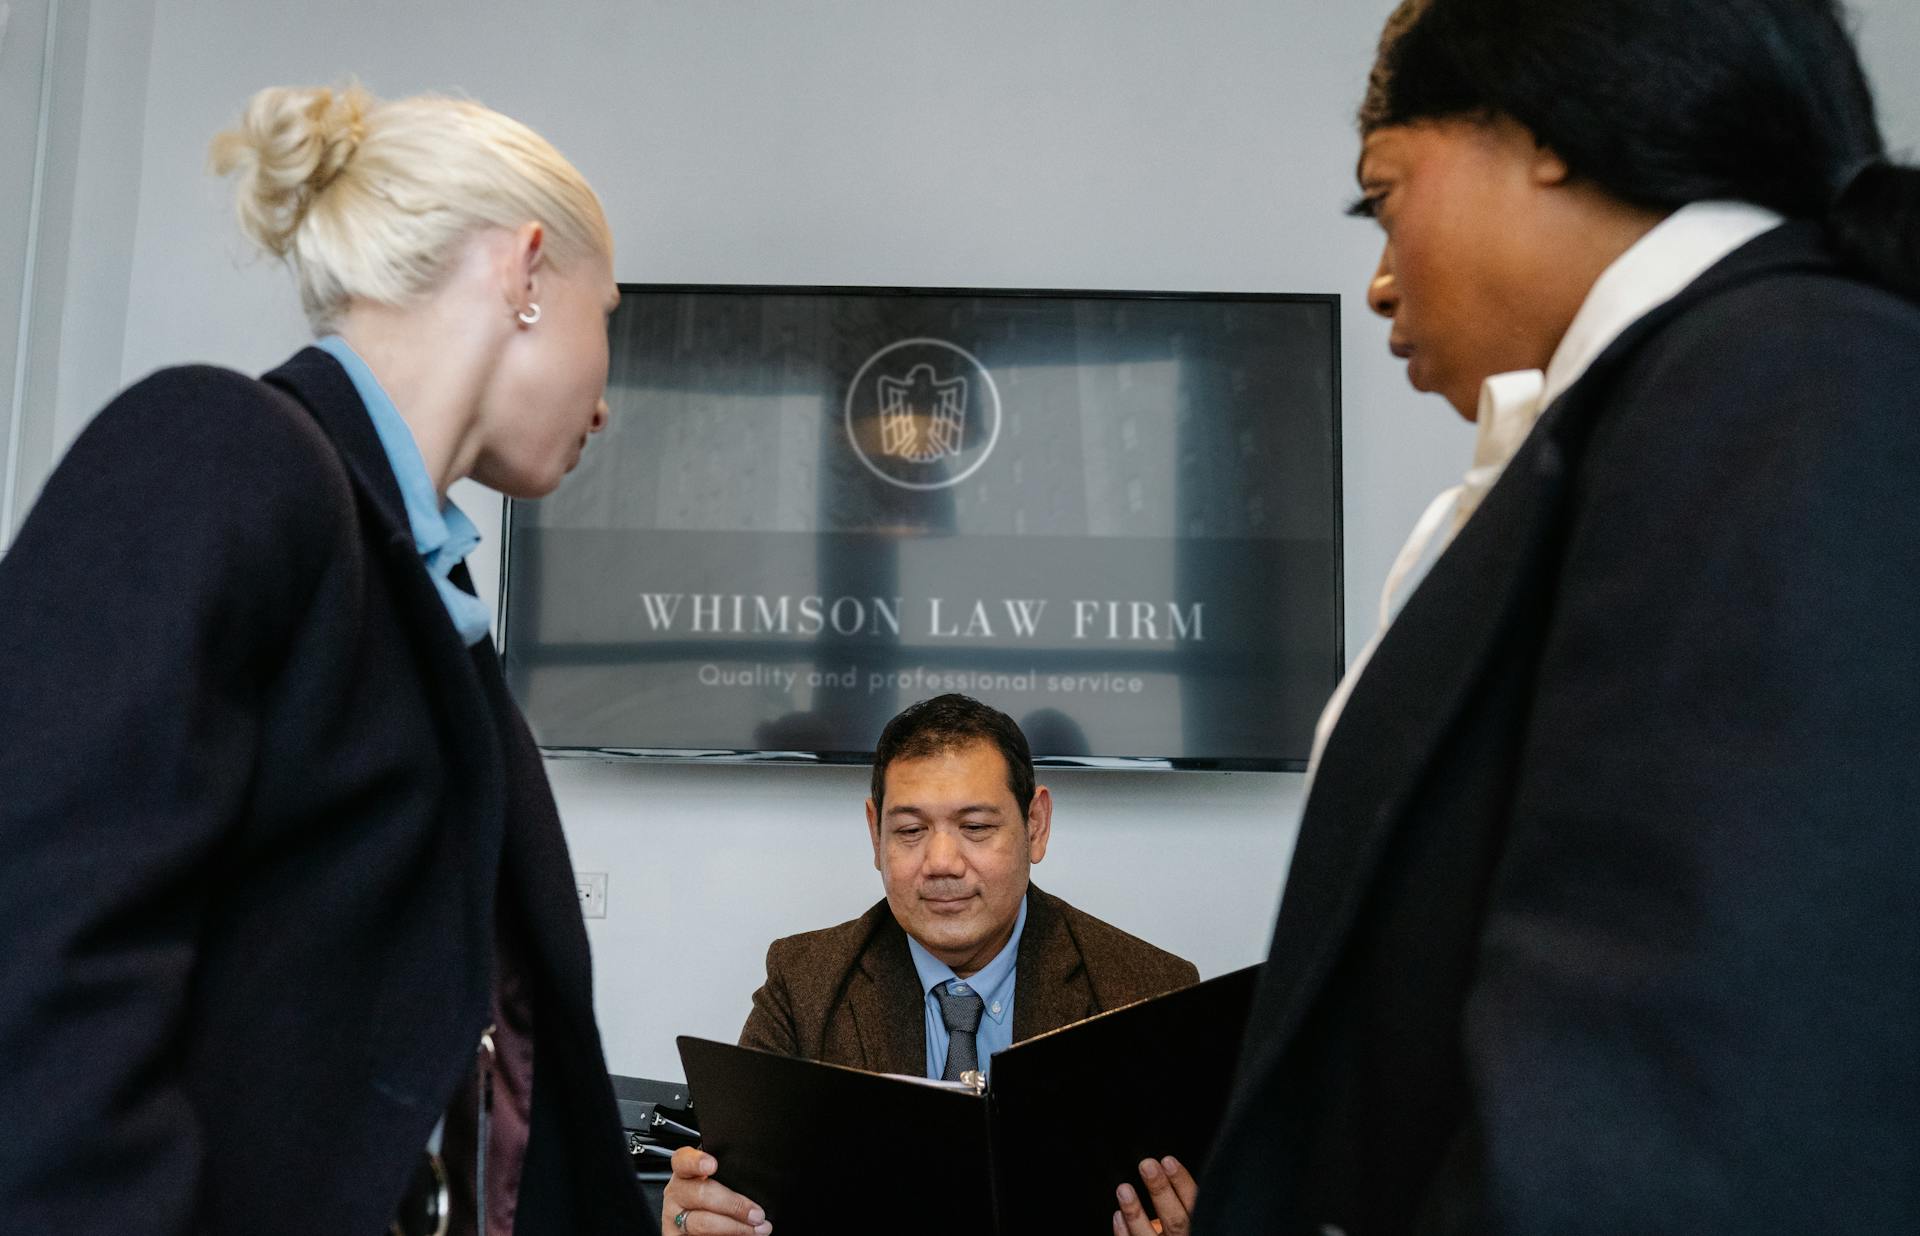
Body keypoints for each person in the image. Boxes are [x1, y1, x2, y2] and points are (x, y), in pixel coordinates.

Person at [1197, 1, 1920, 1232]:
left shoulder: (1786, 382)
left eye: (1381, 197)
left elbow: (1678, 1083)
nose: (1378, 275)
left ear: (1539, 131)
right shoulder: (1670, 406)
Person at [0, 84, 645, 1235]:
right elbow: (41, 949)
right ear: (526, 271)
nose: (607, 402)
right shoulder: (219, 449)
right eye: (613, 315)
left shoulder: (417, 580)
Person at [661, 694, 1200, 1236]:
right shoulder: (803, 985)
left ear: (1035, 825)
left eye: (976, 827)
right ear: (875, 834)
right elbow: (739, 1196)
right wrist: (695, 1216)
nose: (942, 864)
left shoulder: (1153, 992)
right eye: (910, 831)